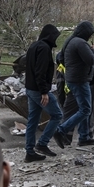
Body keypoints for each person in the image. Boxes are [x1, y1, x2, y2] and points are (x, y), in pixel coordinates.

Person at [54, 20, 94, 148]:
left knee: (83, 108)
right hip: (80, 81)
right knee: (85, 110)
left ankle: (84, 137)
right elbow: (91, 60)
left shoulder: (71, 41)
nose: (91, 36)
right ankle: (60, 130)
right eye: (90, 34)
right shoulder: (80, 43)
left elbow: (61, 58)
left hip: (74, 79)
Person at [23, 24, 63, 162]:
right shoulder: (44, 48)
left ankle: (29, 152)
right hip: (38, 90)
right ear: (50, 36)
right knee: (57, 115)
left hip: (30, 88)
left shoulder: (34, 46)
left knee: (33, 120)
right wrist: (44, 92)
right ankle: (42, 143)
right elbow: (40, 72)